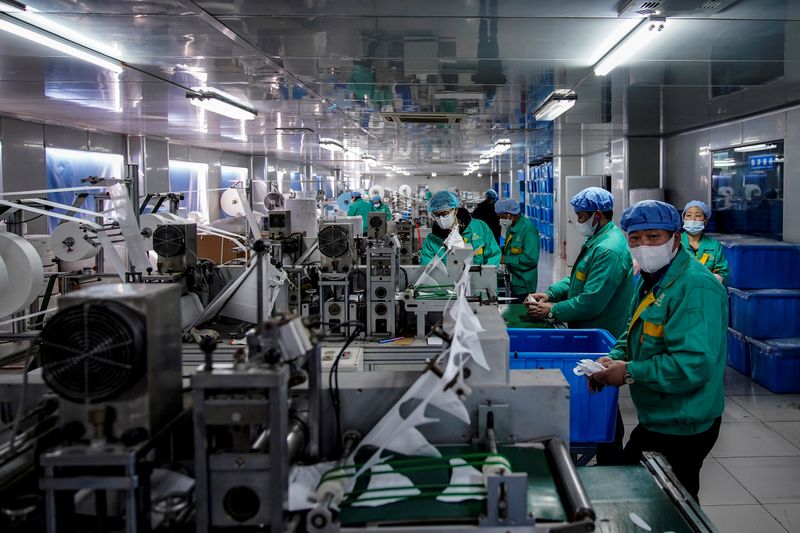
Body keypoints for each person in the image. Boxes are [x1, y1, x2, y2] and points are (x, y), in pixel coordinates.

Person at [589, 200, 727, 503]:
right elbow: (636, 328)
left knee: (666, 500)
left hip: (684, 422)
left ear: (675, 237)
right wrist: (615, 355)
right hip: (662, 414)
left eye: (654, 237)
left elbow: (693, 365)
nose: (643, 245)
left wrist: (628, 371)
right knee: (659, 495)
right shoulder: (656, 278)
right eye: (635, 238)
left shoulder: (694, 287)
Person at [526, 187, 633, 338]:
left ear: (597, 215)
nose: (578, 221)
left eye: (580, 216)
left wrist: (553, 310)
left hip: (601, 333)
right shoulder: (598, 239)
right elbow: (578, 278)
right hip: (587, 328)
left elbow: (591, 303)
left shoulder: (608, 250)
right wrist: (550, 294)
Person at [420, 191, 501, 266]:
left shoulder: (479, 228)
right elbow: (428, 269)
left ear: (455, 210)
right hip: (446, 281)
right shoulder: (432, 240)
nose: (441, 219)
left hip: (477, 279)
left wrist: (483, 277)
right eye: (436, 215)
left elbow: (493, 256)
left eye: (445, 214)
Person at [495, 198, 539, 301]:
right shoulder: (511, 227)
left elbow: (531, 259)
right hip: (514, 279)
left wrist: (505, 259)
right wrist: (498, 251)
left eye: (502, 217)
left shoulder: (528, 230)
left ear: (510, 214)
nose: (501, 220)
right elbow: (510, 248)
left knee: (520, 312)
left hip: (524, 284)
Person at [681, 200, 729, 284]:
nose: (692, 219)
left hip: (706, 290)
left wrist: (715, 279)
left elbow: (722, 272)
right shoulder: (675, 242)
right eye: (688, 215)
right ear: (683, 219)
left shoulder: (714, 246)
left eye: (698, 215)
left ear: (705, 221)